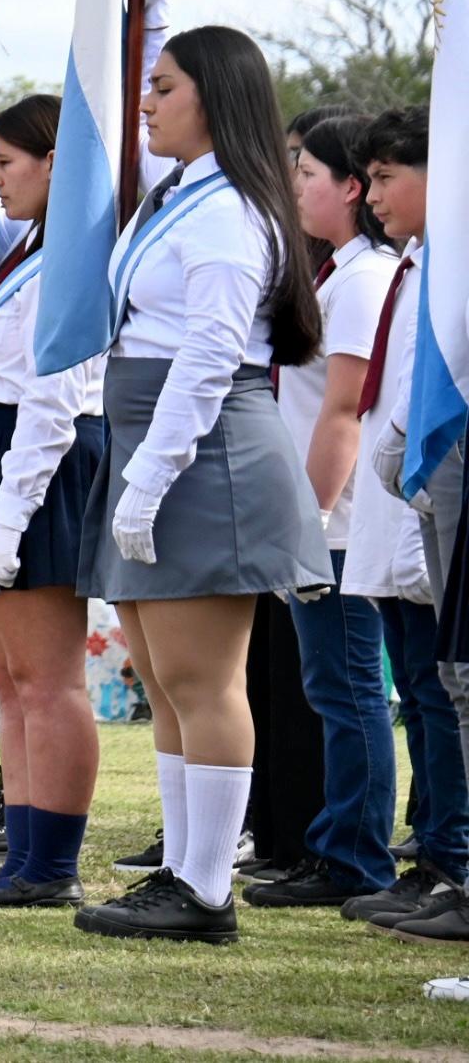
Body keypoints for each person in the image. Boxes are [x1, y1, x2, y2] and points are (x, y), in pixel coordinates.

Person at [72, 22, 330, 946]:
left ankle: (207, 890)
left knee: (203, 679)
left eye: (164, 87)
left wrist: (151, 475)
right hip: (156, 436)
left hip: (200, 448)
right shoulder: (187, 194)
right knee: (166, 677)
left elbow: (212, 352)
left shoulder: (226, 212)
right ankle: (183, 872)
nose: (146, 103)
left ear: (213, 100)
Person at [0, 95, 109, 908]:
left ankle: (52, 865)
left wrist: (11, 513)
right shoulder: (27, 249)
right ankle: (23, 856)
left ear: (54, 163)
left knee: (47, 679)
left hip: (37, 455)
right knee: (8, 679)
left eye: (6, 164)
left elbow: (54, 397)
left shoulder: (71, 257)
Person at [249, 112, 404, 909]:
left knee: (348, 693)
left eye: (306, 172)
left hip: (336, 525)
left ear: (349, 187)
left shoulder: (365, 278)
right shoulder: (337, 274)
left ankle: (355, 858)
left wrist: (307, 524)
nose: (294, 185)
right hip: (318, 522)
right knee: (332, 691)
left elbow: (342, 414)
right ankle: (333, 846)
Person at [351, 104, 469, 940]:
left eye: (388, 177)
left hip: (440, 477)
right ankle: (441, 860)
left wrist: (401, 443)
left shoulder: (447, 262)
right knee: (436, 686)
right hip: (410, 493)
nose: (373, 195)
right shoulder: (415, 262)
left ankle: (450, 858)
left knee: (447, 682)